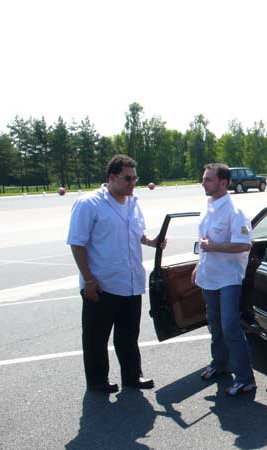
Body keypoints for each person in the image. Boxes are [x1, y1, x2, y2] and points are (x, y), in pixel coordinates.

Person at [67, 155, 162, 393]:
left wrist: (151, 242)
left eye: (134, 178)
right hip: (101, 285)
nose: (133, 183)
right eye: (127, 178)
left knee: (129, 336)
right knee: (96, 338)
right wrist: (88, 280)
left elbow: (137, 233)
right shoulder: (89, 204)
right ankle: (97, 381)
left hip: (130, 282)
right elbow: (77, 243)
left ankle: (132, 377)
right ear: (111, 178)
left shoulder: (133, 202)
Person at [192, 163, 257, 396]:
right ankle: (220, 364)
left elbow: (243, 244)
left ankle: (245, 378)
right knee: (214, 324)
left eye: (208, 179)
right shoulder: (207, 207)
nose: (204, 183)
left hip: (228, 278)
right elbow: (204, 242)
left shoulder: (234, 210)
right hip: (209, 276)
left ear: (223, 182)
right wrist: (200, 264)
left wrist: (214, 247)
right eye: (203, 178)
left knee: (230, 327)